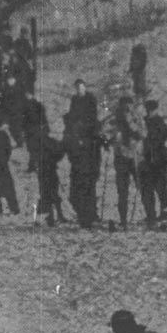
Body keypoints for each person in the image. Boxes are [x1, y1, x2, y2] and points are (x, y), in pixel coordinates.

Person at [64, 79, 103, 229]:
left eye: (81, 87)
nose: (79, 90)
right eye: (77, 88)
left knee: (88, 187)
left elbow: (92, 116)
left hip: (89, 162)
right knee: (80, 189)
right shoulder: (74, 100)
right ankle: (85, 214)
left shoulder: (90, 100)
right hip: (79, 164)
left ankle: (90, 214)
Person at [107, 95, 144, 230]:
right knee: (122, 190)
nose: (126, 110)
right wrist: (109, 140)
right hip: (121, 157)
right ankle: (123, 221)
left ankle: (150, 217)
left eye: (128, 107)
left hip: (134, 157)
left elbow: (141, 134)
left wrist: (131, 125)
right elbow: (108, 135)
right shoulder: (115, 119)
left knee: (142, 186)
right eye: (124, 107)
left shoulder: (136, 118)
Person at [140, 100, 167, 230]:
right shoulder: (145, 122)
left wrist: (151, 138)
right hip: (148, 159)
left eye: (152, 110)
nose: (150, 112)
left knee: (160, 187)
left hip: (159, 159)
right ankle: (151, 215)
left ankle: (164, 214)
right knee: (148, 188)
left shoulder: (160, 123)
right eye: (149, 110)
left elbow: (162, 137)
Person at [36, 127, 67, 226]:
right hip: (48, 170)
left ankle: (51, 217)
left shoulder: (38, 144)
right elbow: (59, 153)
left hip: (45, 171)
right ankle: (54, 217)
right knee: (51, 193)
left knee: (46, 194)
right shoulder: (51, 142)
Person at [22, 89, 49, 173]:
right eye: (26, 94)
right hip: (29, 131)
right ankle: (32, 166)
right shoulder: (25, 105)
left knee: (37, 149)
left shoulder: (38, 105)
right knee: (31, 149)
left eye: (29, 94)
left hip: (38, 130)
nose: (27, 96)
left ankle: (37, 166)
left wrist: (44, 129)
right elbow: (24, 120)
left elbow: (44, 119)